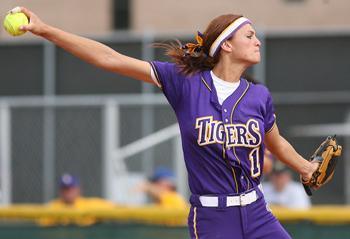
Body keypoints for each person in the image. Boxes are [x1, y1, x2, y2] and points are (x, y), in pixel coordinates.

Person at [14, 6, 320, 238]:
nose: (258, 42)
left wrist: (306, 168)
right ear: (226, 45)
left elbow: (275, 141)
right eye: (249, 36)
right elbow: (108, 58)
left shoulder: (258, 95)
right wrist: (45, 30)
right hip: (214, 218)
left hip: (257, 211)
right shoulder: (184, 82)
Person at [39, 173, 115, 226]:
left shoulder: (89, 204)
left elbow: (117, 210)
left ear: (78, 190)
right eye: (65, 189)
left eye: (71, 188)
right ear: (60, 191)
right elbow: (40, 223)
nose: (68, 192)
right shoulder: (53, 207)